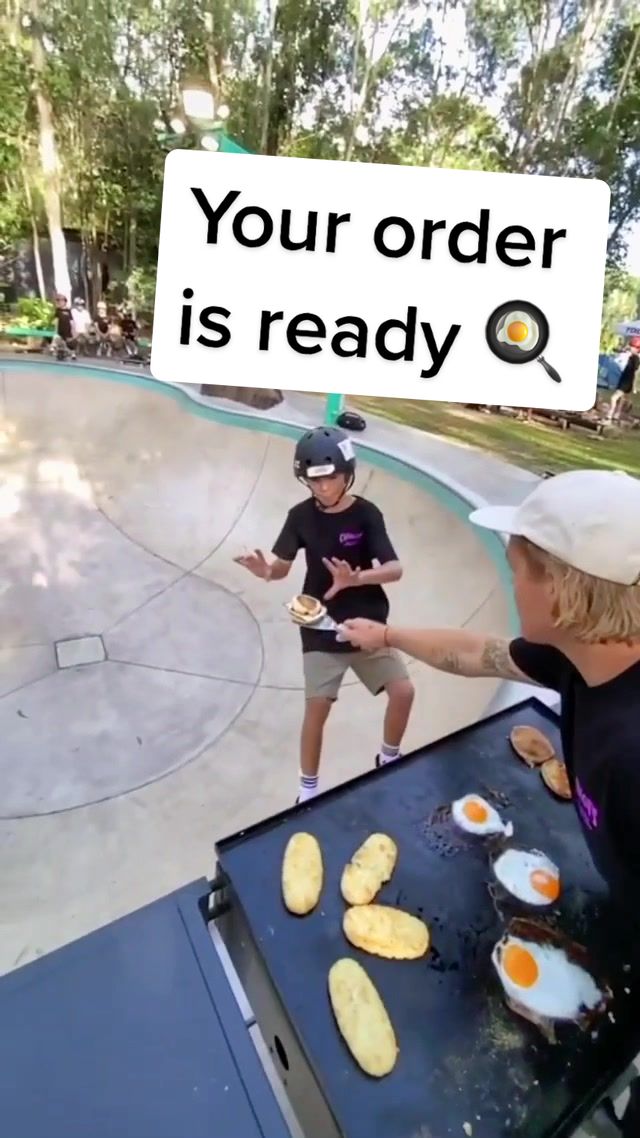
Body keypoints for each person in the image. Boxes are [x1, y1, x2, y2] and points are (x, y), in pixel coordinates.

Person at [340, 467, 640, 1136]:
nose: (509, 577)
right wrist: (387, 637)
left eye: (519, 568)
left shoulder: (632, 751)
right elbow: (480, 653)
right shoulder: (589, 653)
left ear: (562, 591)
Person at [234, 425, 415, 804]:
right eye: (314, 481)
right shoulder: (300, 516)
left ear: (348, 474)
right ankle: (308, 791)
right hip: (319, 623)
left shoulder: (366, 514)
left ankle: (388, 759)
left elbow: (395, 569)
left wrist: (356, 578)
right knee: (316, 710)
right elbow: (281, 567)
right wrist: (265, 571)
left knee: (403, 692)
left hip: (367, 622)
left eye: (330, 478)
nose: (323, 488)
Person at [607, 337, 640, 423]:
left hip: (627, 382)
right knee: (622, 399)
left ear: (638, 349)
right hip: (624, 379)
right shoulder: (631, 356)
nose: (631, 348)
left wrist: (634, 386)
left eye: (633, 347)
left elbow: (635, 373)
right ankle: (616, 415)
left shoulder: (635, 359)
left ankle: (609, 414)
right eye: (631, 346)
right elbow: (619, 351)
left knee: (613, 398)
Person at [51, 295, 76, 359]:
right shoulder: (58, 310)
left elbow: (71, 321)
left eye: (62, 301)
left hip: (67, 329)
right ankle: (55, 350)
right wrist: (55, 329)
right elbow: (56, 320)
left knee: (70, 343)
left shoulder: (68, 311)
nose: (60, 302)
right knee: (57, 339)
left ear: (65, 302)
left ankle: (73, 354)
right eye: (59, 301)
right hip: (60, 329)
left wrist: (73, 330)